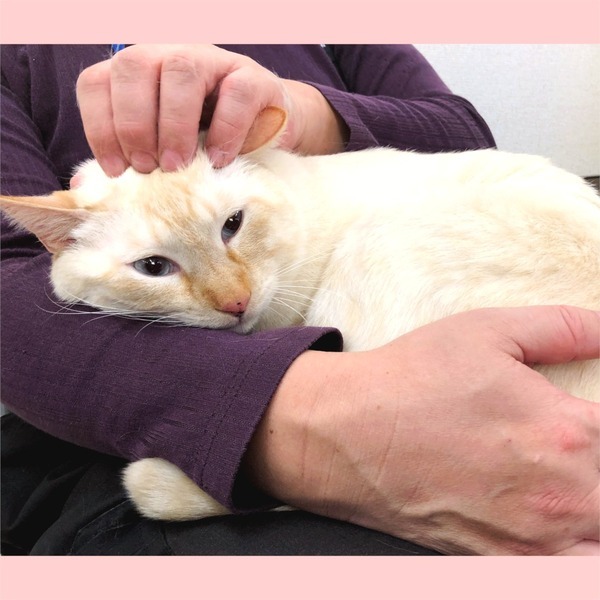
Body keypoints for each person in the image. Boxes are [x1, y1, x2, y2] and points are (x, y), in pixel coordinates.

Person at [1, 44, 598, 556]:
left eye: (232, 228)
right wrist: (293, 437)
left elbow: (462, 131)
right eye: (155, 267)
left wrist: (302, 112)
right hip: (129, 426)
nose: (233, 298)